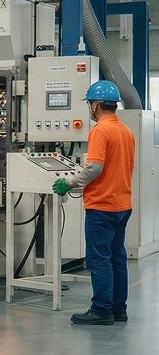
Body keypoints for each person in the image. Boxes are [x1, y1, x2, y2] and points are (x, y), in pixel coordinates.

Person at [52, 80, 135, 326]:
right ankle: (118, 309)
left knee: (99, 259)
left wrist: (69, 183)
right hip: (122, 204)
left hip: (102, 206)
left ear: (95, 105)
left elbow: (94, 168)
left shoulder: (100, 130)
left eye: (89, 103)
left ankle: (101, 310)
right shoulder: (126, 131)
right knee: (117, 258)